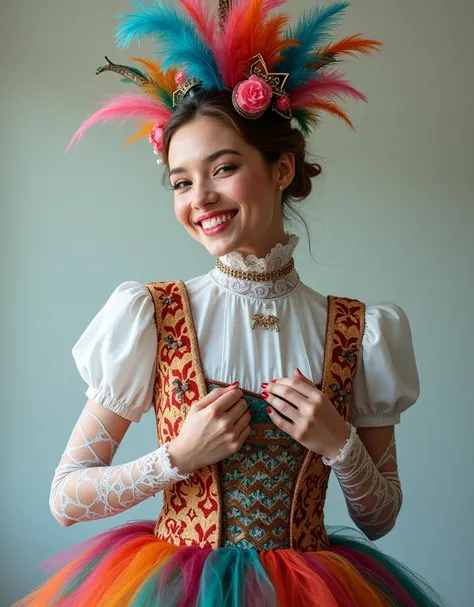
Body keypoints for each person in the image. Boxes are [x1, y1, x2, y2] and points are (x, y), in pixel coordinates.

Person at [15, 1, 445, 605]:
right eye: (182, 181)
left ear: (281, 168)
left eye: (224, 167)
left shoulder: (360, 329)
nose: (202, 197)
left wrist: (340, 444)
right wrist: (176, 456)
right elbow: (65, 497)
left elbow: (380, 518)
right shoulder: (151, 314)